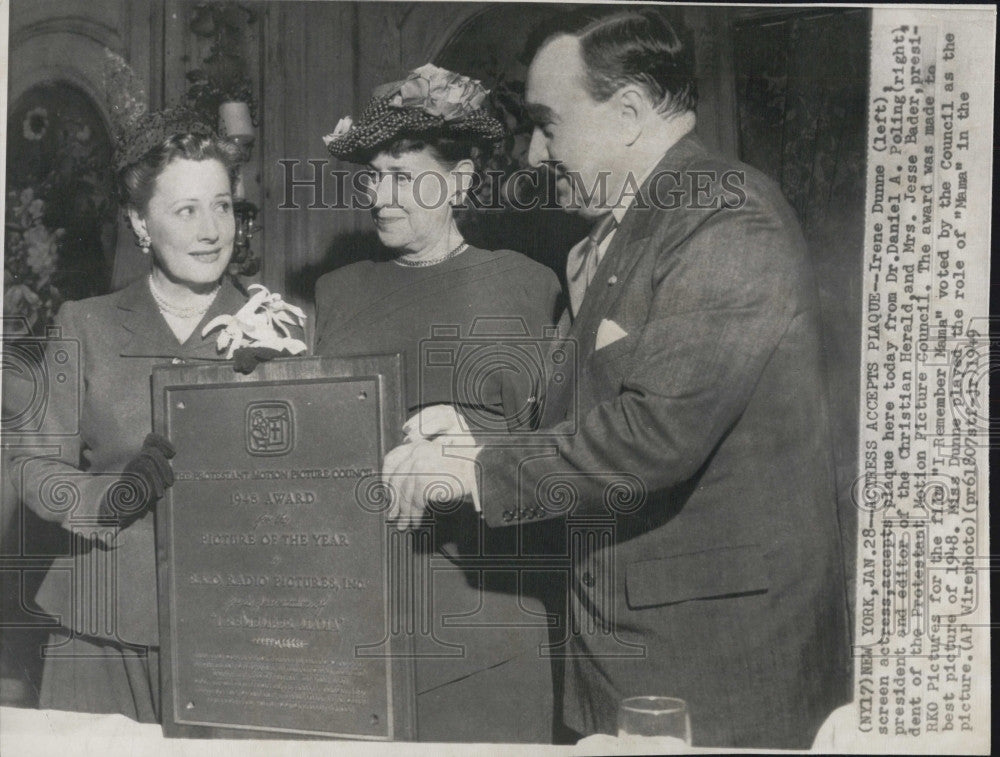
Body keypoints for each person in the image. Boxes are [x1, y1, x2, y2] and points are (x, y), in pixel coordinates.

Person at [383, 9, 852, 749]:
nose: (536, 153)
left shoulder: (729, 217)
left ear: (629, 112)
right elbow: (599, 414)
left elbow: (654, 435)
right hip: (629, 653)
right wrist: (482, 435)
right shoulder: (617, 233)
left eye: (549, 124)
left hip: (717, 664)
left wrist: (474, 472)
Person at [9, 109, 295, 721]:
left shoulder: (285, 326)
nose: (212, 230)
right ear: (141, 222)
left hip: (242, 630)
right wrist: (109, 497)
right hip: (102, 624)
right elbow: (33, 467)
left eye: (222, 206)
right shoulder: (84, 326)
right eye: (186, 210)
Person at [317, 64, 562, 743]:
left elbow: (568, 445)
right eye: (373, 174)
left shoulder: (528, 286)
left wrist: (478, 434)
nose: (379, 193)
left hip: (489, 617)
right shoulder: (336, 292)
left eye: (402, 175)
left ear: (457, 180)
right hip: (358, 614)